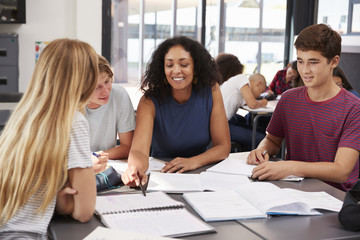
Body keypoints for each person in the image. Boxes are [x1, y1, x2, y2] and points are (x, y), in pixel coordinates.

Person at [0, 39, 98, 238]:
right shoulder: (73, 121)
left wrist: (59, 204)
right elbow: (84, 211)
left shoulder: (23, 116)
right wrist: (69, 205)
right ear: (86, 81)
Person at [247, 24, 360, 191]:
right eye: (300, 61)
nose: (305, 70)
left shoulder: (354, 108)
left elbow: (341, 171)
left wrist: (290, 167)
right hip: (293, 188)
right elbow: (272, 140)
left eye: (313, 62)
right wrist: (262, 150)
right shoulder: (288, 99)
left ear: (334, 61)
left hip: (337, 197)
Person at [121, 36, 231, 187]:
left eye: (184, 64)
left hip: (202, 171)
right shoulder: (149, 102)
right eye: (169, 65)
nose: (176, 71)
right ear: (163, 68)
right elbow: (139, 151)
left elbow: (223, 147)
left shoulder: (211, 91)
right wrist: (135, 170)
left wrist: (193, 162)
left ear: (196, 68)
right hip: (164, 173)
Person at [85, 55, 135, 171]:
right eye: (97, 87)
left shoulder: (119, 95)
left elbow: (128, 147)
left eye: (107, 81)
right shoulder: (68, 105)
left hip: (105, 166)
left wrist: (96, 157)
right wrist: (86, 161)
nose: (106, 90)